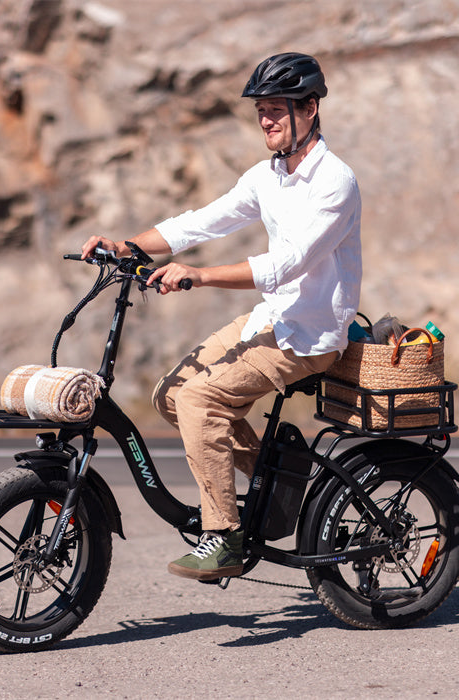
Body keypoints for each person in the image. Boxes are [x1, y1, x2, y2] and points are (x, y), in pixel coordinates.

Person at [81, 52, 362, 581]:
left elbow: (287, 263)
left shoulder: (336, 183)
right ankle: (275, 484)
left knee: (201, 400)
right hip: (271, 320)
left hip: (311, 334)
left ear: (311, 108)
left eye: (276, 109)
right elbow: (203, 222)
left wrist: (201, 276)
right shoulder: (268, 176)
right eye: (260, 110)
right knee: (170, 394)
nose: (265, 121)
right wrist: (130, 245)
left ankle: (223, 536)